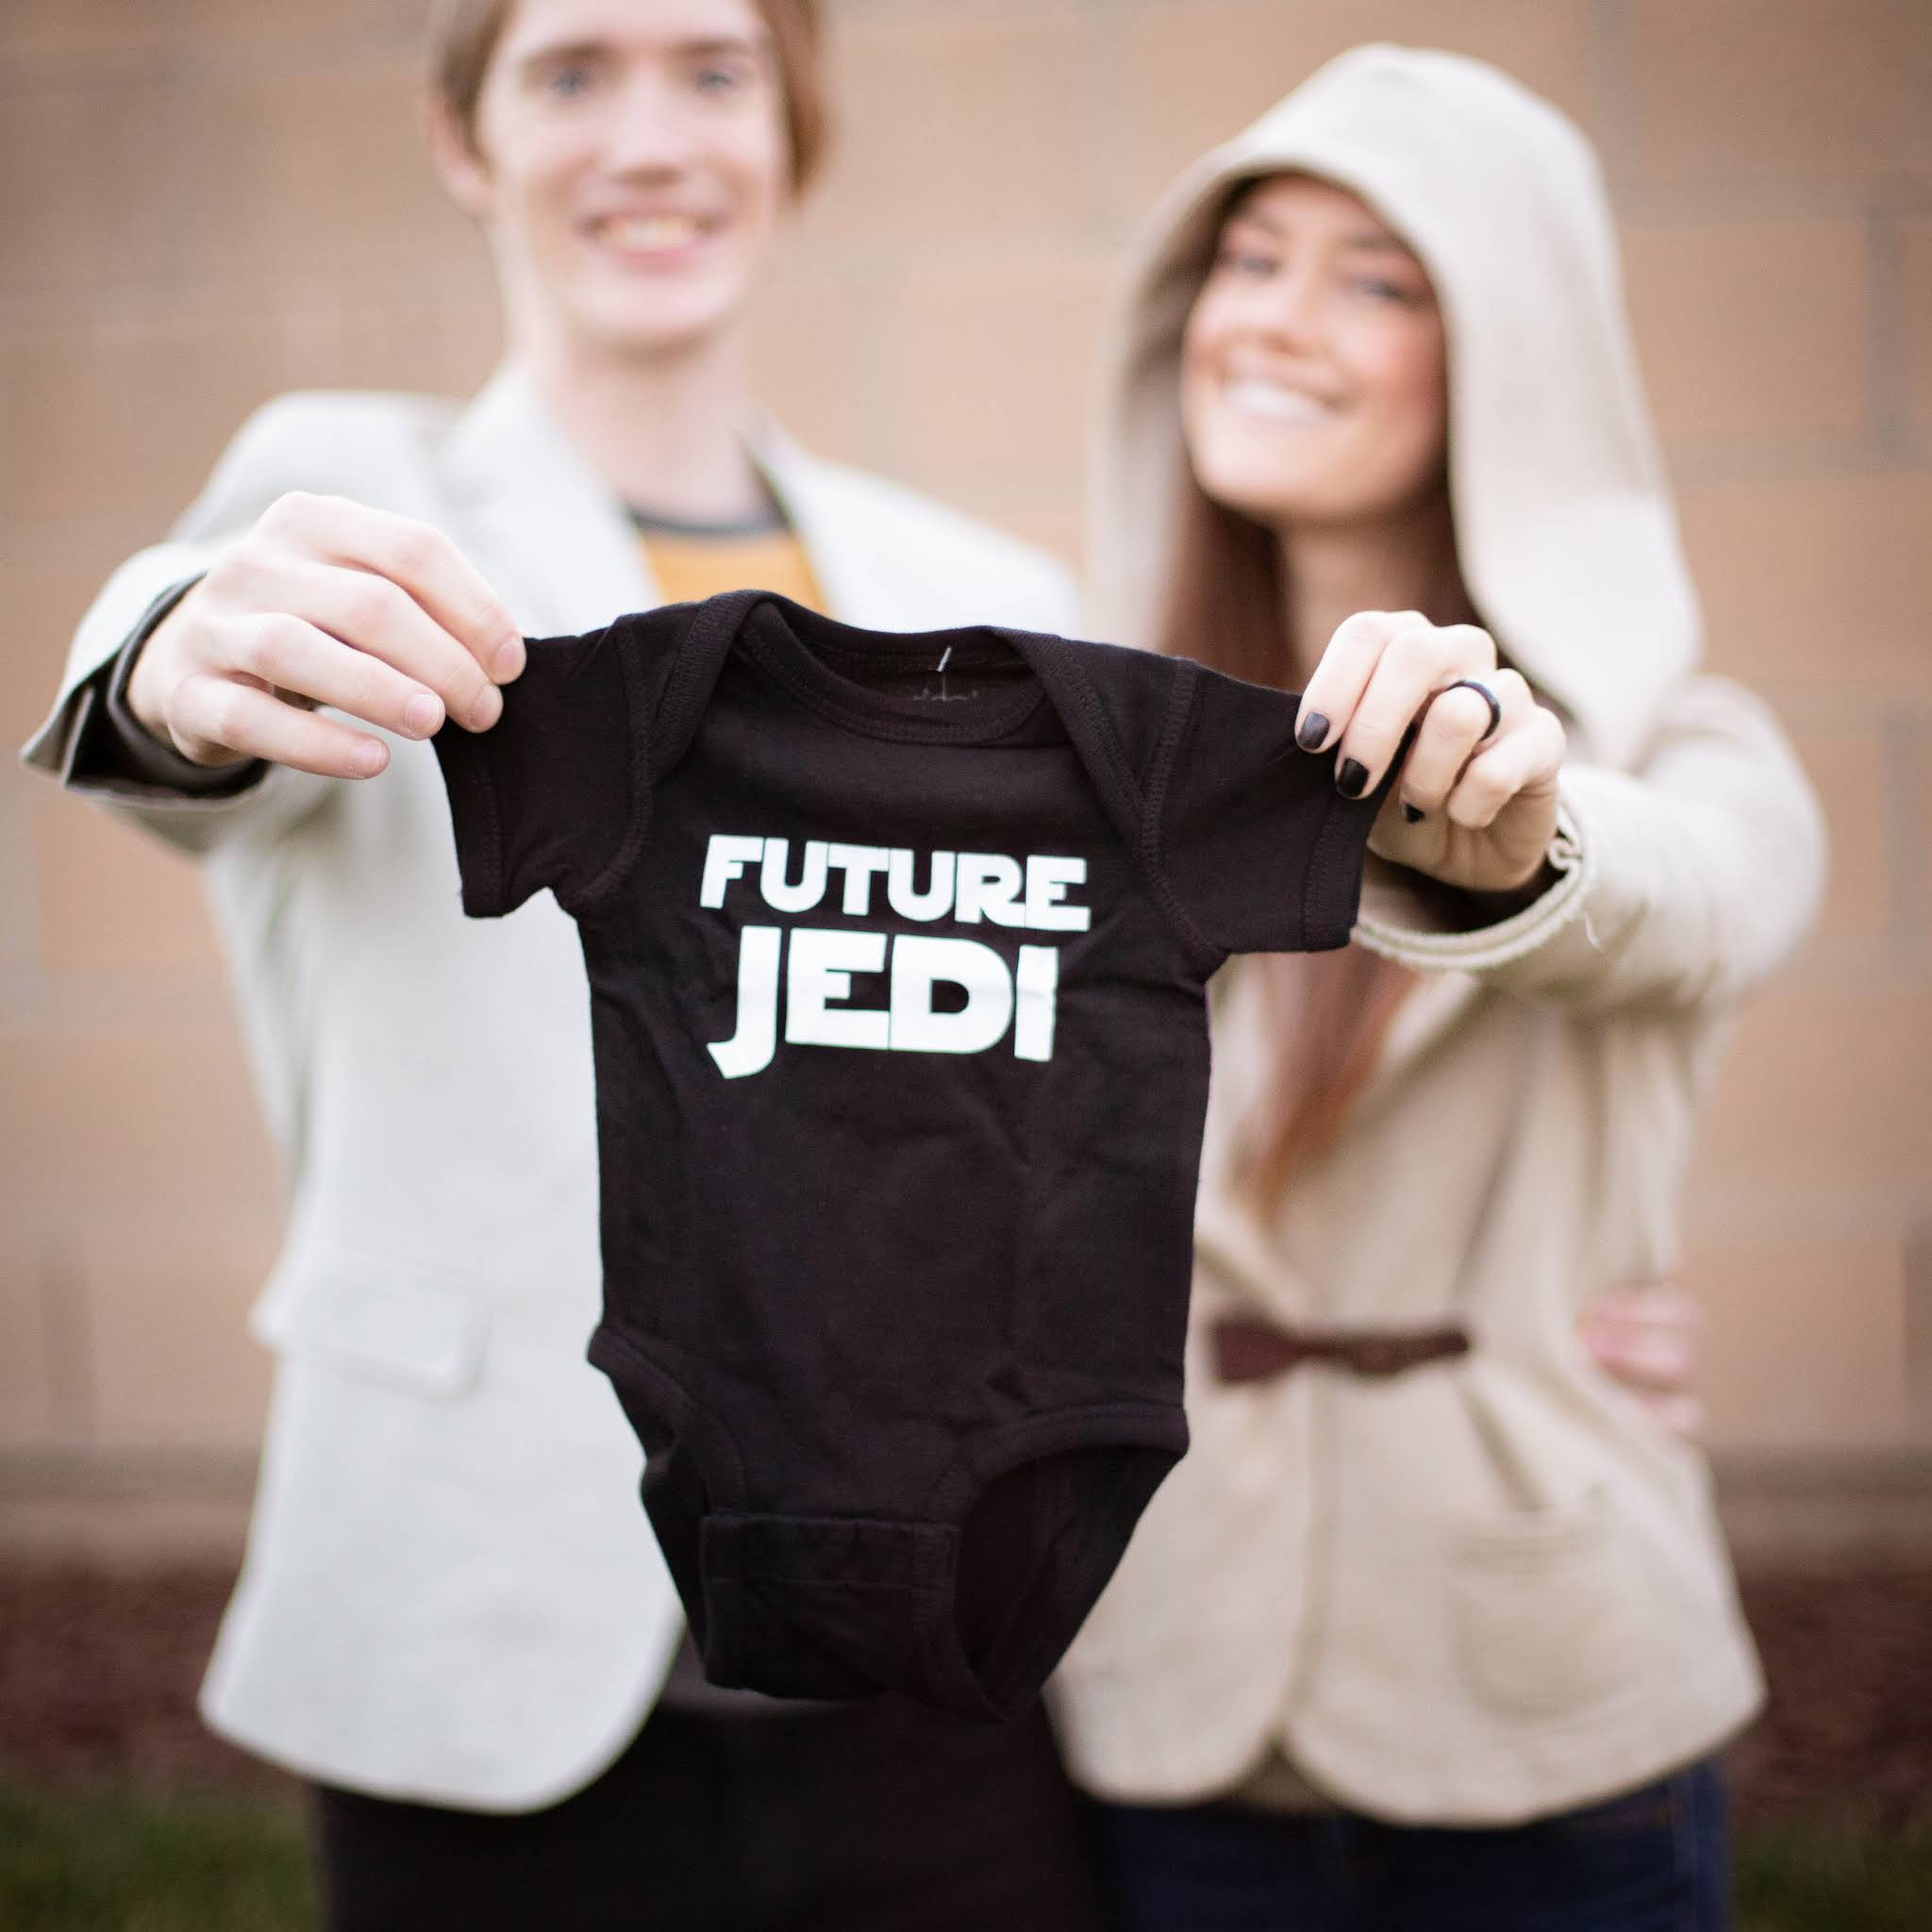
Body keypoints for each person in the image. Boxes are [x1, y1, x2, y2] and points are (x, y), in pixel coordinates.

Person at [20, 2, 1110, 1926]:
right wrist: (173, 658)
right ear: (467, 141)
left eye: (714, 71)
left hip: (921, 1658)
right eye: (572, 73)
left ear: (793, 132)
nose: (652, 138)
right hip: (484, 1634)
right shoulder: (354, 504)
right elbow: (187, 665)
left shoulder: (996, 597)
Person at [1050, 44, 1826, 1931]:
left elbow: (1682, 897)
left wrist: (1506, 829)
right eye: (1248, 258)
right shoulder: (1088, 760)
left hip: (1545, 1706)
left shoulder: (1683, 752)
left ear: (1506, 354)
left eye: (1377, 279)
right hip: (1175, 1692)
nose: (1273, 319)